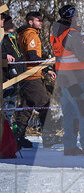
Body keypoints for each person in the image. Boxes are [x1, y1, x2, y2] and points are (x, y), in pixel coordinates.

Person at [49, 5, 84, 155]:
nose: (78, 18)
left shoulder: (56, 33)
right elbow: (82, 56)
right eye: (76, 16)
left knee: (69, 114)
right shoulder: (73, 34)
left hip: (63, 81)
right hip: (75, 80)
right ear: (71, 17)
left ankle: (69, 146)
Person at [16, 10, 54, 148]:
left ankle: (17, 137)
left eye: (41, 20)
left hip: (29, 75)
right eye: (38, 20)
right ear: (30, 22)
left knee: (26, 108)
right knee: (45, 105)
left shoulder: (24, 34)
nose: (41, 22)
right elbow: (32, 57)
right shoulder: (31, 35)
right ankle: (49, 137)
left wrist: (45, 68)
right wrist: (47, 62)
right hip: (31, 76)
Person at [2, 14, 30, 149]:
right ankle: (5, 141)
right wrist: (3, 56)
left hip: (15, 78)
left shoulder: (12, 38)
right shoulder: (3, 38)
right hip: (5, 78)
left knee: (10, 110)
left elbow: (19, 56)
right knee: (5, 109)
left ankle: (9, 140)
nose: (12, 25)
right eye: (9, 22)